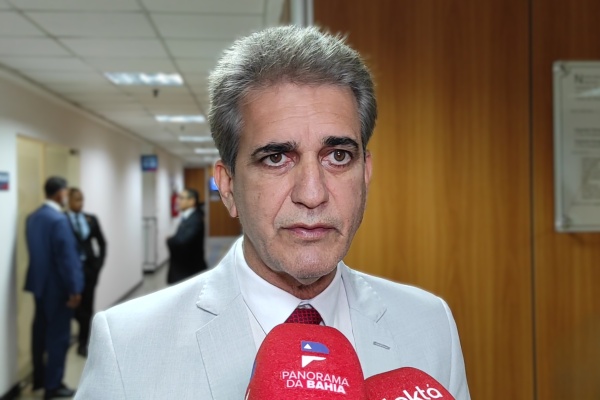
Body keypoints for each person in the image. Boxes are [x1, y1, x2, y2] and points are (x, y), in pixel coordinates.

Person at [76, 26, 471, 399]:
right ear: (227, 186)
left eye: (338, 156)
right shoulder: (128, 347)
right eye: (276, 158)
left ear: (365, 174)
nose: (312, 194)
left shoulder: (430, 324)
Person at [25, 176, 83, 399]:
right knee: (58, 337)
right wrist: (74, 289)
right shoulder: (58, 220)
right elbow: (66, 258)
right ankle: (53, 386)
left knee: (39, 334)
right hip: (58, 289)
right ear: (60, 194)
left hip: (39, 287)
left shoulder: (33, 217)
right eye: (66, 193)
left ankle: (39, 380)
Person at [66, 187, 107, 357]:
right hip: (71, 271)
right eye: (77, 199)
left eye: (82, 199)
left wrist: (98, 265)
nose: (80, 203)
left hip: (89, 270)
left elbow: (102, 243)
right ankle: (69, 337)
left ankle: (84, 343)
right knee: (74, 308)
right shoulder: (62, 220)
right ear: (68, 201)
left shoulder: (91, 219)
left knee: (88, 307)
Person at [166, 188, 208, 284]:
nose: (177, 201)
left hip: (188, 273)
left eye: (181, 198)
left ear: (191, 201)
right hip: (183, 272)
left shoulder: (195, 219)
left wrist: (170, 240)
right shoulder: (188, 217)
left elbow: (183, 242)